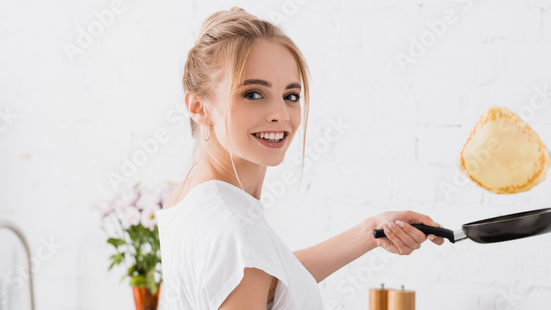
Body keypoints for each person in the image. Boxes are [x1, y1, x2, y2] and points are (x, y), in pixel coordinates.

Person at [155, 7, 445, 310]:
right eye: (253, 94)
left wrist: (370, 231)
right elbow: (248, 264)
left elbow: (269, 278)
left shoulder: (188, 197)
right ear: (198, 107)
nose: (280, 114)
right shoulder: (235, 233)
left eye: (291, 95)